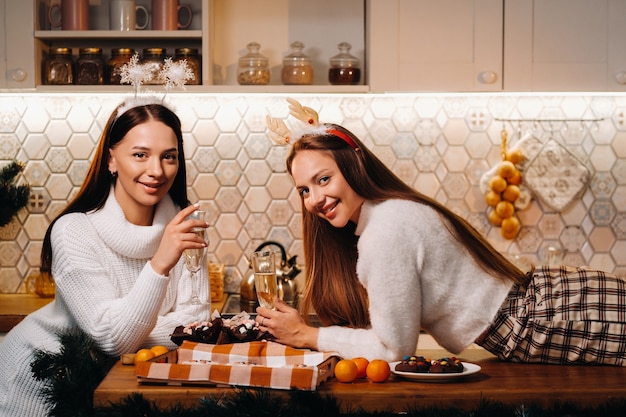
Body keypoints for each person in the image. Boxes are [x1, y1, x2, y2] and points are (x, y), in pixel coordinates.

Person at [257, 99, 626, 367]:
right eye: (304, 190)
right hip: (545, 307)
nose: (315, 199)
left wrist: (308, 335)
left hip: (547, 317)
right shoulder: (386, 215)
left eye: (324, 179)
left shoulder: (384, 230)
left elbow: (393, 350)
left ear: (353, 164)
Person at [0, 102, 210, 417]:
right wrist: (159, 265)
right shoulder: (73, 231)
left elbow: (197, 322)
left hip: (125, 382)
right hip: (45, 377)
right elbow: (115, 339)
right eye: (140, 155)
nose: (156, 170)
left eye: (169, 156)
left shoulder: (184, 229)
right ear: (111, 159)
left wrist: (121, 333)